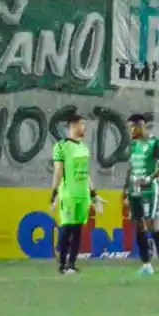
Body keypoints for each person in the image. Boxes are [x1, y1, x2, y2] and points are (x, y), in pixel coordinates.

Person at [49, 114, 103, 275]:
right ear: (73, 126)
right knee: (66, 229)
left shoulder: (84, 148)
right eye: (81, 125)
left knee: (78, 230)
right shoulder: (61, 146)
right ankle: (62, 264)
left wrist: (94, 194)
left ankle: (72, 264)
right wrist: (54, 194)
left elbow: (85, 174)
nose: (84, 128)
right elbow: (58, 172)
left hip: (82, 196)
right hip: (68, 195)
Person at [124, 113, 159, 275]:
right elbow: (130, 168)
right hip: (134, 190)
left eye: (132, 127)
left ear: (140, 126)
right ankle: (146, 265)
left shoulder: (155, 143)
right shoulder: (133, 145)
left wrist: (149, 178)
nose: (130, 131)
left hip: (150, 190)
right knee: (139, 225)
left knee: (152, 225)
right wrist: (125, 190)